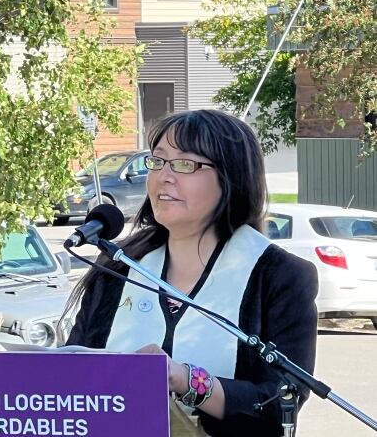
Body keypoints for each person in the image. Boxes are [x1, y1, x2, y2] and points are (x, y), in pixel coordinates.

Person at [62, 110, 318, 436]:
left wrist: (183, 379)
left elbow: (282, 400)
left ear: (231, 179)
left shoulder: (279, 276)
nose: (164, 176)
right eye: (157, 161)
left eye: (185, 164)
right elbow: (72, 377)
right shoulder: (117, 268)